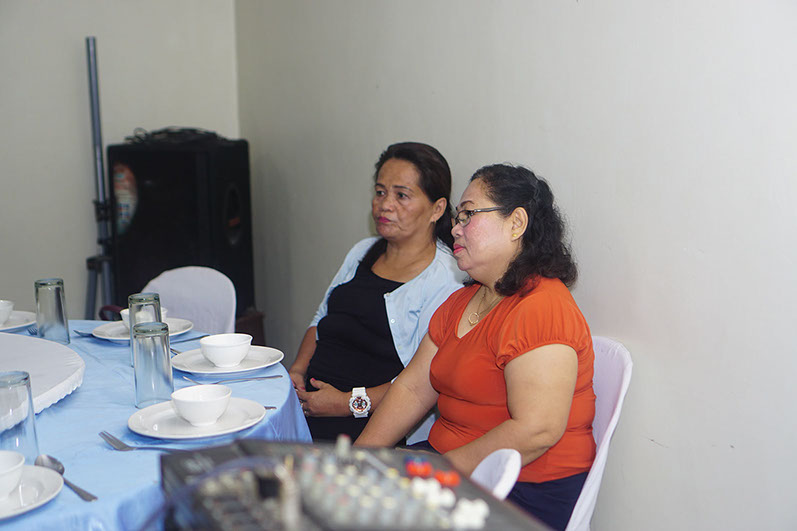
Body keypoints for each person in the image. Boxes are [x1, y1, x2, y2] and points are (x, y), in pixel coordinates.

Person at [355, 164, 596, 530]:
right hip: (453, 467)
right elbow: (413, 388)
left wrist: (437, 471)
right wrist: (357, 461)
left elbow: (537, 430)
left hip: (522, 489)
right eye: (457, 217)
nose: (455, 227)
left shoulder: (542, 306)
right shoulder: (462, 301)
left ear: (516, 223)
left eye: (468, 215)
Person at [289, 142, 463, 444]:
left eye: (401, 195)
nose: (385, 205)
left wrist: (345, 403)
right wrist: (297, 372)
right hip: (310, 405)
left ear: (437, 208)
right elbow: (321, 318)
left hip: (374, 424)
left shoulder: (446, 277)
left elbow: (421, 380)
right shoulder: (362, 250)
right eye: (380, 192)